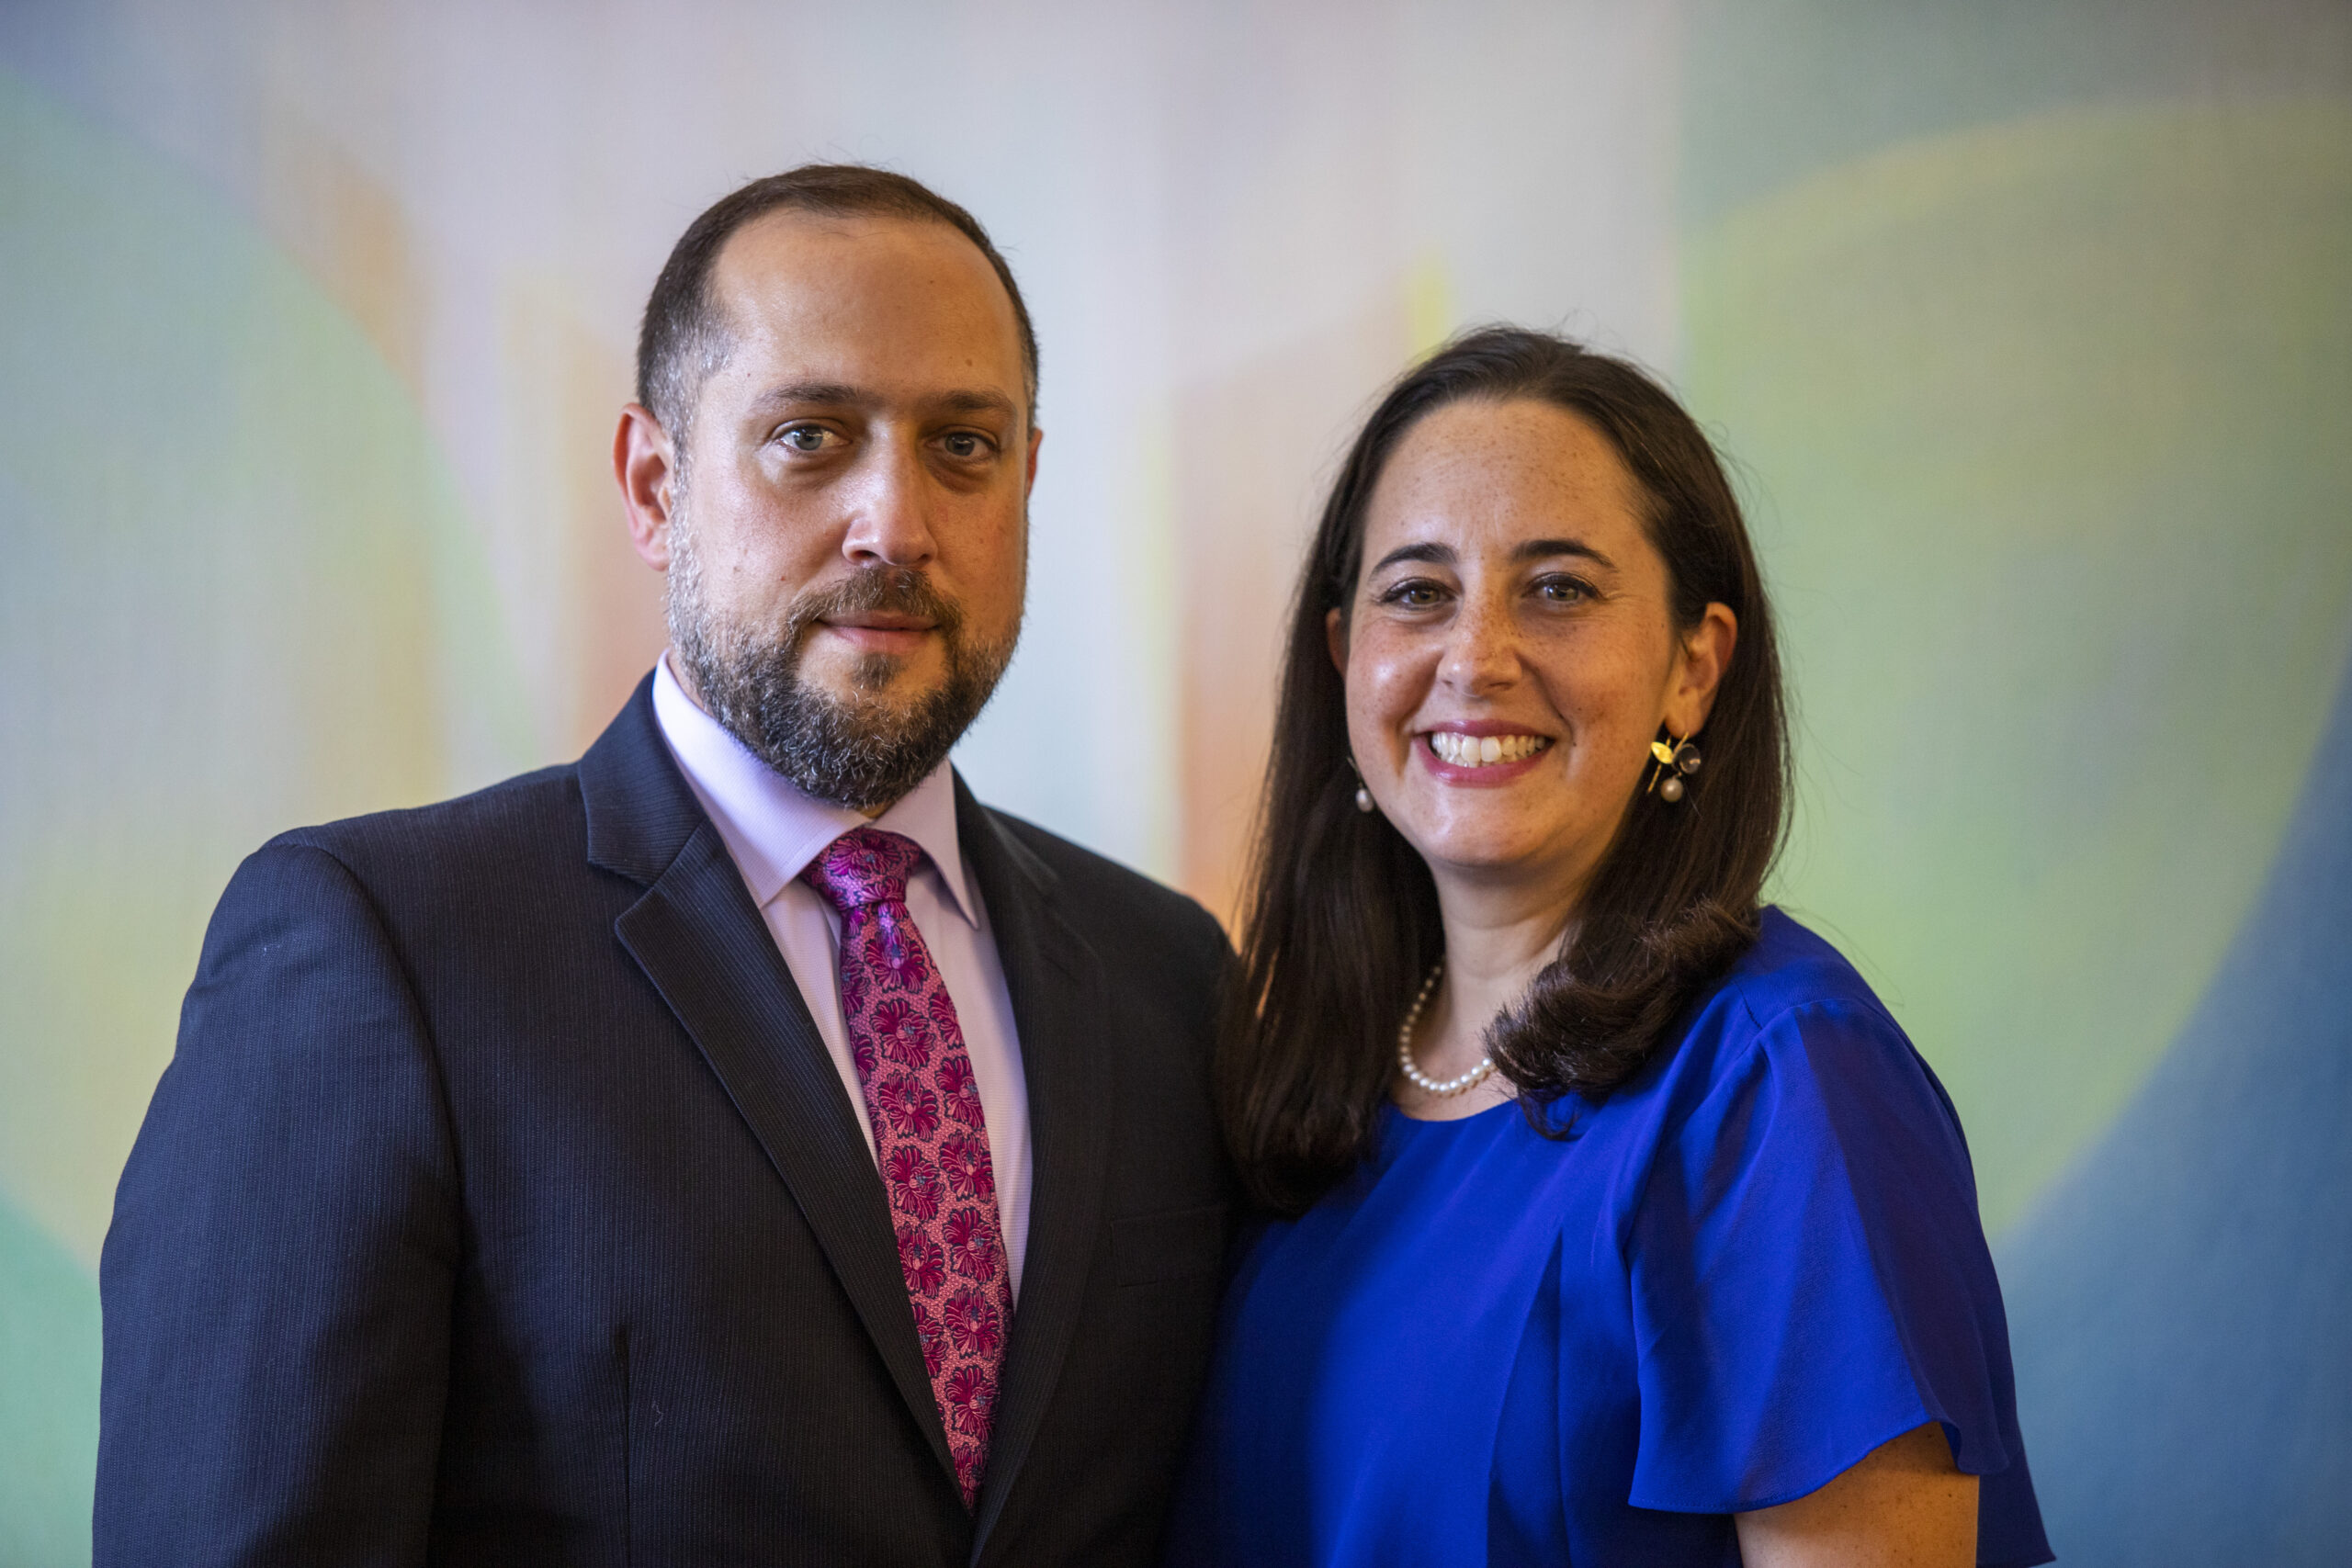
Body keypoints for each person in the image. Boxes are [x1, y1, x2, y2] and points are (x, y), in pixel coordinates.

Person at [96, 165, 1234, 1566]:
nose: (897, 523)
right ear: (652, 483)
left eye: (964, 446)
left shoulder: (1168, 981)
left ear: (1028, 482)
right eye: (810, 436)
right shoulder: (382, 953)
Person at [1166, 329, 2052, 1567]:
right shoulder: (1310, 1085)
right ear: (1343, 662)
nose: (1474, 658)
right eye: (1417, 592)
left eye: (1560, 589)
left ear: (1694, 668)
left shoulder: (1778, 1084)